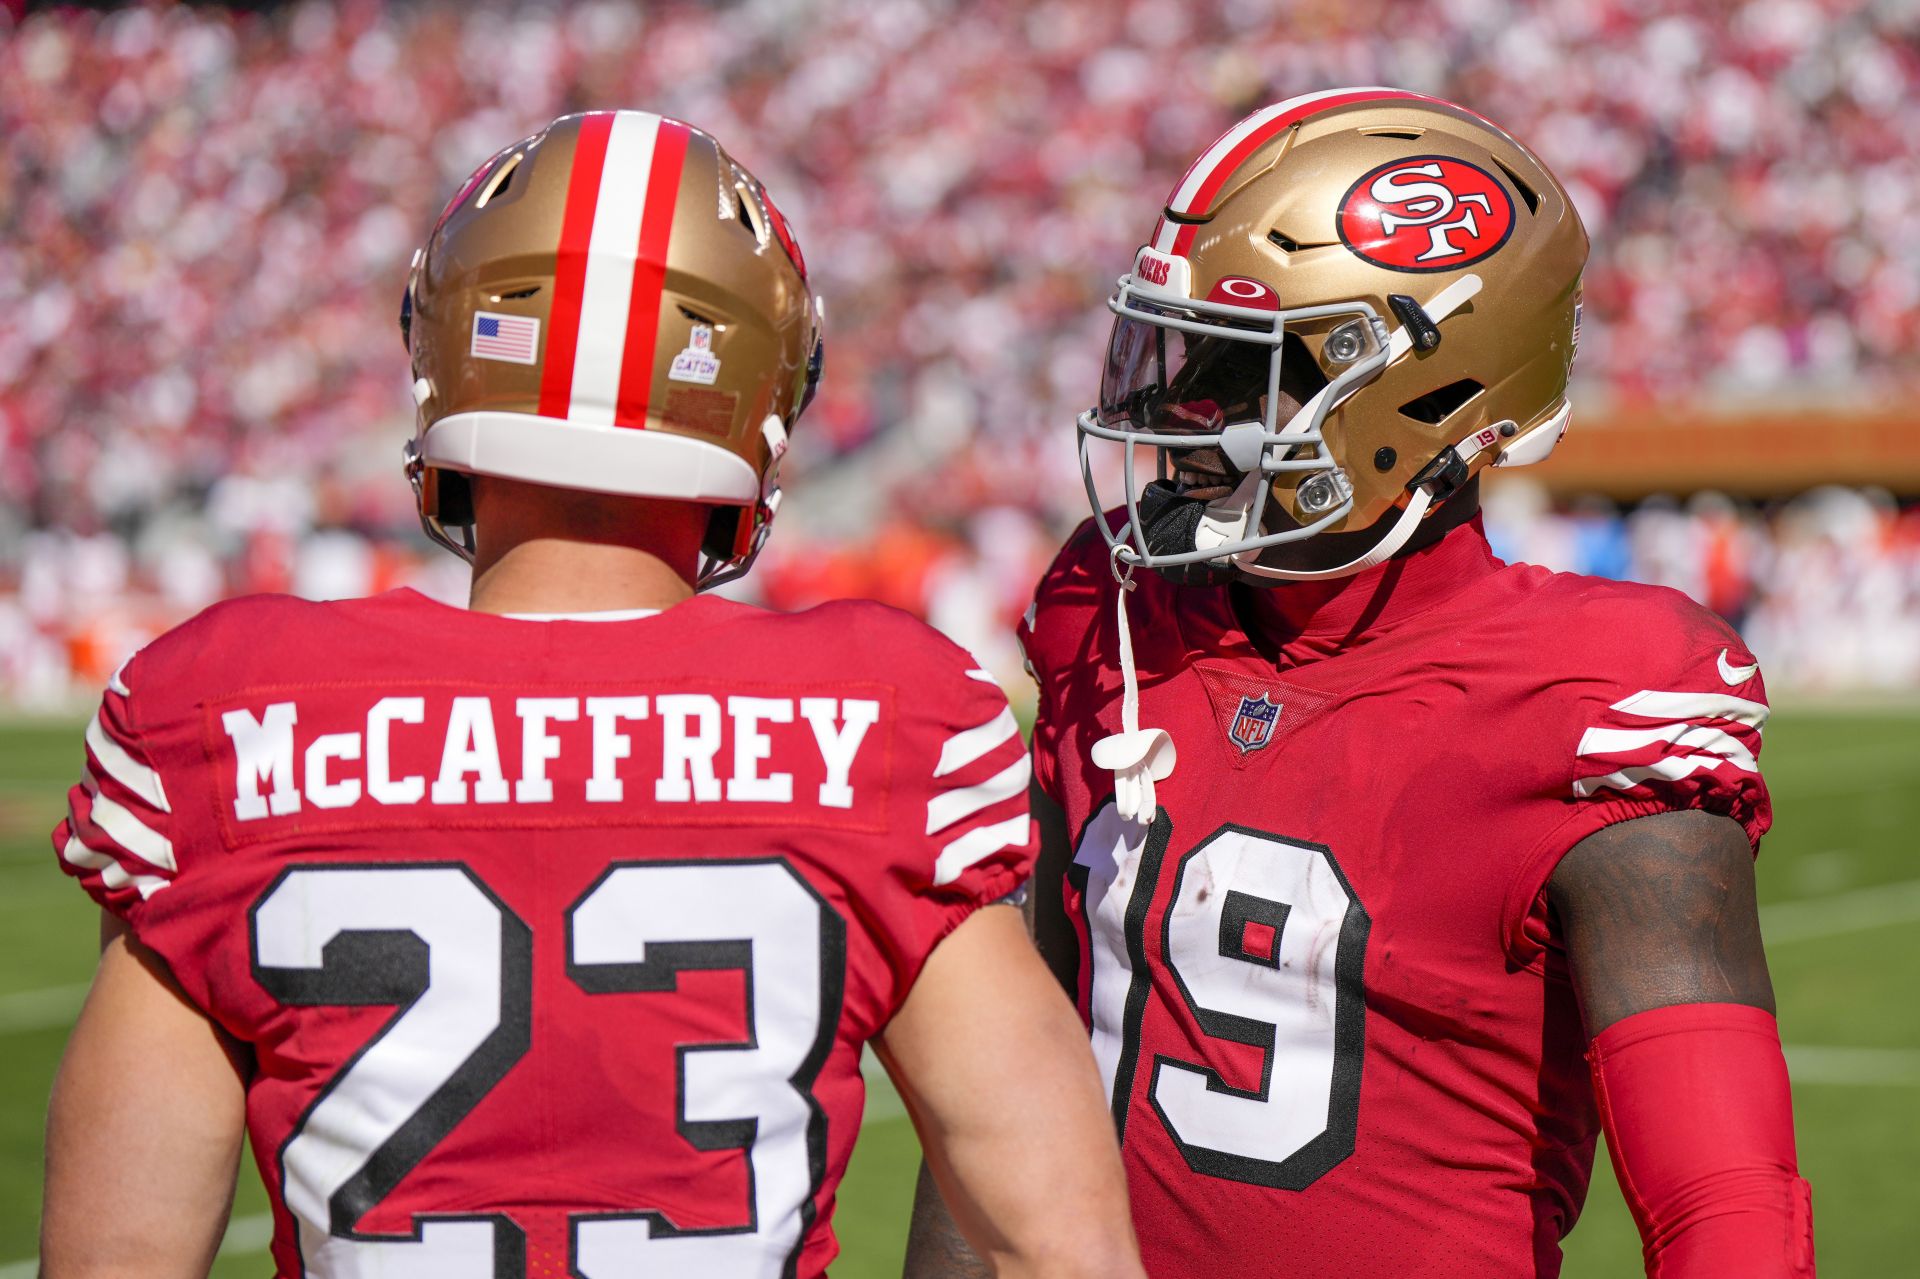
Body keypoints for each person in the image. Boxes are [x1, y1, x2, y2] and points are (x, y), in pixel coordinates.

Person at [43, 110, 1141, 1279]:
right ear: (758, 399)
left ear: (450, 350)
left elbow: (116, 1259)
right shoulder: (889, 718)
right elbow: (1057, 1247)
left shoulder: (223, 713)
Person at [906, 89, 1814, 1278]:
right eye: (1178, 356)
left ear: (1424, 396)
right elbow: (1004, 1097)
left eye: (1238, 374)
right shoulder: (1112, 611)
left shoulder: (1595, 695)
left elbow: (1726, 1204)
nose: (1178, 419)